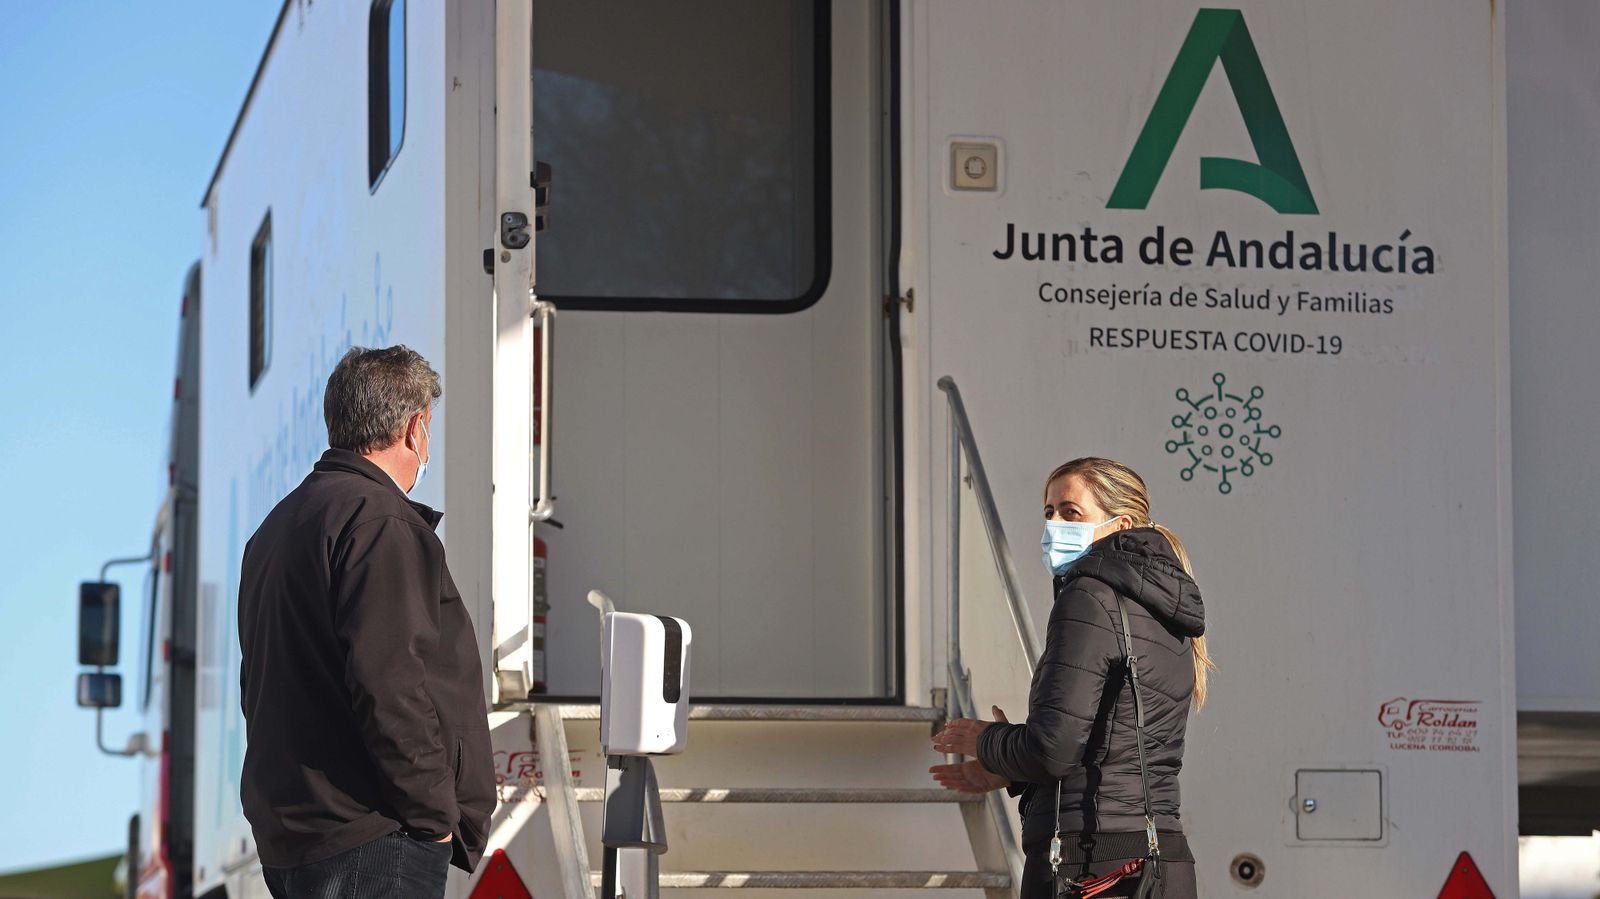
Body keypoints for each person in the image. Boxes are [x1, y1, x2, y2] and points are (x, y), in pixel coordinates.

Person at [238, 346, 495, 899]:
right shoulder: (380, 522)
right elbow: (391, 684)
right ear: (414, 429)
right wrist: (433, 814)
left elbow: (256, 684)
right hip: (373, 835)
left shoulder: (277, 529)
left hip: (300, 834)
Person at [930, 457, 1210, 898]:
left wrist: (988, 739)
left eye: (1071, 512)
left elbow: (1053, 751)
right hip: (1159, 865)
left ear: (1121, 524)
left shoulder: (1089, 595)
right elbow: (1107, 745)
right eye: (1049, 512)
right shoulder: (1165, 605)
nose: (1054, 525)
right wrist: (1009, 771)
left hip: (1093, 866)